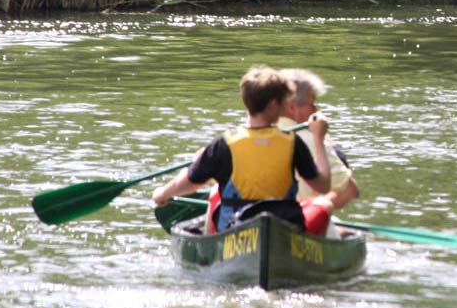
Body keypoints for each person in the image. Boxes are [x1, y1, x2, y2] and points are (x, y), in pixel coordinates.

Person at [151, 65, 332, 234]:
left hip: (235, 227)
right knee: (321, 206)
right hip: (284, 225)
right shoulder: (292, 142)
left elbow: (192, 181)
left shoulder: (224, 143)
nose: (287, 106)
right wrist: (318, 139)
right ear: (272, 105)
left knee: (215, 202)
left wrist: (163, 193)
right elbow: (323, 185)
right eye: (283, 102)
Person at [279, 68, 360, 238]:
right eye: (312, 103)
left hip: (253, 220)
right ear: (292, 107)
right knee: (346, 233)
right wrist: (326, 142)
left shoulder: (245, 135)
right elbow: (350, 191)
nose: (316, 109)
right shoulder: (312, 141)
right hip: (301, 225)